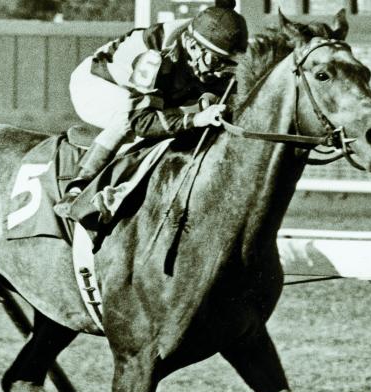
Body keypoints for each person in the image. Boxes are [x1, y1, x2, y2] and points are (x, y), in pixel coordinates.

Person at [53, 0, 248, 229]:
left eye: (229, 64)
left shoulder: (204, 43)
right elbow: (141, 121)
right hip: (97, 85)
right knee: (127, 121)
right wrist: (195, 118)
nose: (220, 71)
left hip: (157, 89)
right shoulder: (154, 57)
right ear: (192, 46)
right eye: (216, 61)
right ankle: (77, 190)